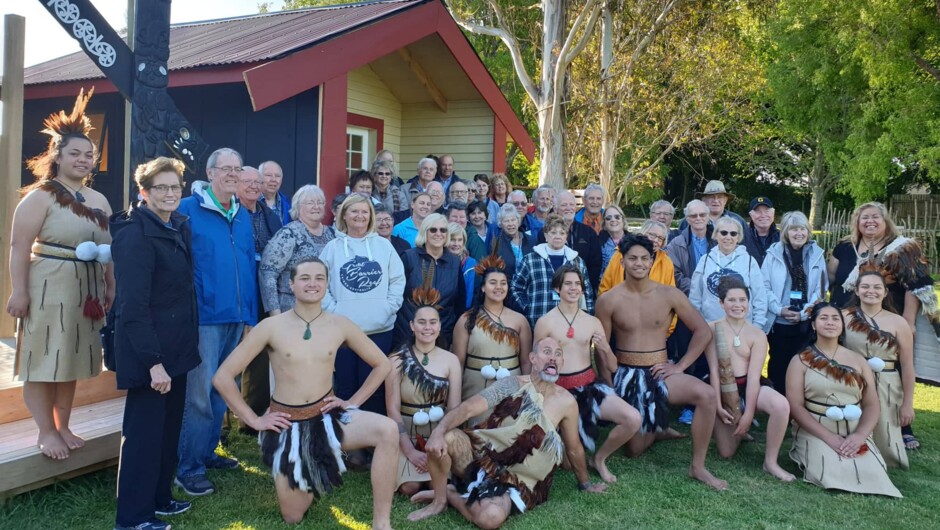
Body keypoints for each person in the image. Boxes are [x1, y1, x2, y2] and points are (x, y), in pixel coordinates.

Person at [212, 258, 399, 527]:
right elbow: (223, 377)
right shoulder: (271, 326)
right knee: (293, 516)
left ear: (327, 283)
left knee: (388, 430)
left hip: (328, 417)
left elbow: (382, 364)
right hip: (288, 425)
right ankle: (314, 465)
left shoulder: (340, 325)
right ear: (291, 284)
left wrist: (353, 402)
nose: (313, 284)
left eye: (319, 278)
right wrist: (253, 420)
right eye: (305, 278)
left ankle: (382, 522)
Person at [7, 89, 114, 461]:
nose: (84, 160)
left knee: (68, 360)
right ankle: (45, 431)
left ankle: (64, 425)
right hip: (47, 287)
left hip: (86, 291)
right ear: (57, 156)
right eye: (75, 154)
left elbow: (108, 248)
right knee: (43, 359)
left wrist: (109, 284)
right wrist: (18, 291)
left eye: (89, 155)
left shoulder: (99, 201)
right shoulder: (40, 197)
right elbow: (19, 247)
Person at [407, 337, 607, 526]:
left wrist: (586, 484)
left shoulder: (567, 402)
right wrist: (438, 431)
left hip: (518, 479)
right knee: (447, 437)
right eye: (546, 352)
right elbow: (468, 408)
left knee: (490, 518)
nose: (553, 357)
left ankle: (451, 494)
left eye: (558, 354)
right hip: (482, 458)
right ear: (533, 358)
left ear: (562, 362)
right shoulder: (511, 385)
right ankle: (439, 501)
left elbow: (573, 448)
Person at [595, 234, 727, 490]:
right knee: (634, 450)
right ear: (622, 262)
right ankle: (656, 429)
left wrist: (678, 367)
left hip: (661, 371)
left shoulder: (670, 295)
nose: (639, 263)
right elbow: (602, 349)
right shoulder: (608, 300)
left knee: (707, 394)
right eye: (632, 258)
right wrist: (609, 386)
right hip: (627, 374)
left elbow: (703, 332)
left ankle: (697, 466)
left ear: (652, 261)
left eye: (645, 258)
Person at [111, 157, 201, 530]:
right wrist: (153, 362)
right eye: (160, 187)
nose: (169, 193)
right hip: (150, 355)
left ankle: (160, 499)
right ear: (143, 192)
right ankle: (133, 518)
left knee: (166, 433)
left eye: (174, 187)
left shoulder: (175, 225)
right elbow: (132, 307)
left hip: (175, 351)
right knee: (144, 437)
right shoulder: (135, 235)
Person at [175, 147, 258, 495]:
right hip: (204, 318)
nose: (232, 175)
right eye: (225, 169)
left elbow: (248, 267)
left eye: (237, 169)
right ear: (209, 173)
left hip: (237, 317)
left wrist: (250, 315)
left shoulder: (242, 215)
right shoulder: (187, 210)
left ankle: (207, 453)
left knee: (223, 388)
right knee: (197, 394)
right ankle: (187, 466)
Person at [828, 201, 940, 449]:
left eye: (875, 217)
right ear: (856, 222)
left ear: (885, 220)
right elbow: (832, 278)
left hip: (889, 317)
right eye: (864, 217)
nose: (869, 221)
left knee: (892, 370)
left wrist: (908, 321)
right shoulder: (846, 247)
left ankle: (902, 425)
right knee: (851, 369)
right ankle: (852, 419)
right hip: (849, 319)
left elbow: (917, 286)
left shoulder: (902, 248)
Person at [534, 265, 642, 483]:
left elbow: (611, 366)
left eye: (577, 284)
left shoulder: (592, 322)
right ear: (557, 288)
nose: (574, 288)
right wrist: (536, 396)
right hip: (559, 390)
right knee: (566, 464)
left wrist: (605, 349)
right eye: (568, 284)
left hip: (590, 387)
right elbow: (536, 364)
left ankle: (599, 459)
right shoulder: (545, 322)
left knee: (633, 418)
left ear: (582, 290)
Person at [786, 303, 901, 498]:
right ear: (813, 325)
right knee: (830, 472)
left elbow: (872, 404)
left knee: (873, 474)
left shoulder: (858, 360)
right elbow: (795, 406)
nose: (830, 323)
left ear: (842, 325)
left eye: (835, 318)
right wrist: (829, 437)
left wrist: (860, 436)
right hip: (816, 430)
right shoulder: (800, 360)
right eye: (823, 318)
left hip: (853, 430)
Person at [319, 194, 405, 415]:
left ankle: (372, 444)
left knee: (374, 389)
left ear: (371, 216)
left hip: (379, 329)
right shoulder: (332, 248)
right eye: (354, 211)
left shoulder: (384, 246)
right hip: (344, 333)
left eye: (364, 212)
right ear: (344, 215)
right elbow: (321, 282)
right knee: (346, 387)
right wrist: (333, 311)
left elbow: (397, 279)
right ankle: (348, 442)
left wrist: (388, 307)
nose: (360, 216)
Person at [707, 277, 795, 482]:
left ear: (749, 302)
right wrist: (718, 406)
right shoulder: (711, 329)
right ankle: (734, 429)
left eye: (742, 300)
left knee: (781, 405)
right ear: (721, 303)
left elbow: (755, 377)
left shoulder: (757, 334)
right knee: (726, 453)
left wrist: (749, 414)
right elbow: (713, 370)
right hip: (722, 387)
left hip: (749, 385)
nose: (737, 305)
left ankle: (770, 462)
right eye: (731, 300)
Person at [385, 287, 462, 495]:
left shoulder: (451, 360)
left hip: (439, 433)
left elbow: (454, 408)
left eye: (433, 322)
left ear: (439, 326)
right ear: (411, 326)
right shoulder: (396, 360)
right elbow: (392, 410)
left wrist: (439, 438)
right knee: (410, 487)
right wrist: (409, 450)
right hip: (406, 434)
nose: (427, 327)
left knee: (437, 484)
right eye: (421, 322)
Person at [842, 270, 915, 469]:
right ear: (856, 290)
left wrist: (908, 403)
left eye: (877, 287)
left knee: (885, 429)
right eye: (865, 287)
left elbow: (908, 366)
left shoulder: (899, 322)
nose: (870, 291)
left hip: (888, 384)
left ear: (885, 293)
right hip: (853, 380)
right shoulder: (844, 317)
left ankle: (886, 458)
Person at [452, 256, 532, 425]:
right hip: (475, 387)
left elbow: (526, 361)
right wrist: (455, 398)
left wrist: (526, 393)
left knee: (508, 432)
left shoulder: (520, 320)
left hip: (512, 385)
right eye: (493, 282)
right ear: (482, 287)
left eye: (503, 283)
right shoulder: (466, 320)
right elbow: (458, 362)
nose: (499, 287)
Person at [760, 211, 827, 395]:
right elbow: (763, 286)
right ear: (786, 233)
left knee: (802, 364)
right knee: (778, 364)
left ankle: (799, 404)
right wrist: (779, 309)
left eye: (802, 229)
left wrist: (805, 312)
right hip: (779, 321)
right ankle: (778, 403)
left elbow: (821, 290)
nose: (799, 233)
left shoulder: (817, 254)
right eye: (794, 229)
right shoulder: (773, 253)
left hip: (805, 321)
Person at [236, 166, 283, 427]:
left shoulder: (270, 215)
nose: (254, 186)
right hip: (239, 289)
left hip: (264, 288)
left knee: (260, 351)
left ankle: (254, 409)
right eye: (248, 181)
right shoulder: (232, 214)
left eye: (258, 182)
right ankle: (227, 414)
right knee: (235, 350)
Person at [259, 185, 336, 315]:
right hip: (292, 310)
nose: (316, 206)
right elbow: (267, 274)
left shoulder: (333, 234)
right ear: (298, 207)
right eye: (310, 203)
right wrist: (274, 313)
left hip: (327, 311)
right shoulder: (288, 234)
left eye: (320, 202)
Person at [513, 215, 595, 330]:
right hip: (537, 321)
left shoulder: (577, 262)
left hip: (570, 324)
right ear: (546, 235)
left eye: (562, 233)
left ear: (566, 236)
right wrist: (527, 307)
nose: (558, 236)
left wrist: (588, 318)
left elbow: (587, 293)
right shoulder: (530, 259)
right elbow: (516, 287)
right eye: (553, 232)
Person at [396, 214, 466, 348]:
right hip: (408, 333)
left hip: (442, 334)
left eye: (443, 230)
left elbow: (459, 302)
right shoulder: (408, 257)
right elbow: (397, 295)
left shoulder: (455, 262)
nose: (438, 233)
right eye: (433, 230)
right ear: (425, 232)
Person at [690, 217, 768, 329]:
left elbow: (759, 296)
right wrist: (700, 326)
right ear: (716, 235)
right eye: (724, 233)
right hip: (711, 327)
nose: (728, 237)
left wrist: (757, 325)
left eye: (733, 234)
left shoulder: (749, 261)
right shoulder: (705, 260)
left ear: (739, 237)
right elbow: (695, 296)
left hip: (743, 327)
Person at [600, 219, 676, 296]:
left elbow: (671, 293)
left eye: (660, 238)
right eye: (652, 235)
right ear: (643, 233)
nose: (656, 240)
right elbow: (605, 287)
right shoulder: (621, 253)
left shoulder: (666, 262)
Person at [545, 191, 603, 292]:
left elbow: (595, 265)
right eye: (564, 205)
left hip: (579, 290)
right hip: (550, 289)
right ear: (555, 208)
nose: (569, 208)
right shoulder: (545, 233)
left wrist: (584, 289)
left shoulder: (588, 233)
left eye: (572, 204)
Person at [489, 203, 535, 284]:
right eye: (506, 221)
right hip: (506, 288)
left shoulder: (531, 241)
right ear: (501, 224)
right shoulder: (495, 244)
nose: (510, 224)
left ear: (518, 221)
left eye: (513, 220)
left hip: (530, 287)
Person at [678, 180, 746, 231]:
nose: (716, 200)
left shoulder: (738, 220)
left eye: (719, 197)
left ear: (725, 200)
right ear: (704, 200)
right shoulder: (689, 221)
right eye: (711, 197)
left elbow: (748, 246)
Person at [447, 222, 478, 310]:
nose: (456, 244)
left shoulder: (471, 264)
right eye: (452, 239)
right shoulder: (439, 262)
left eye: (460, 240)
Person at [743, 196, 779, 266]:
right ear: (751, 215)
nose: (763, 215)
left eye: (767, 211)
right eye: (758, 212)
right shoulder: (742, 238)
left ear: (773, 213)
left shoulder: (783, 238)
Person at [259, 160, 292, 225]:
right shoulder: (251, 201)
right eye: (268, 175)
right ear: (259, 178)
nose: (273, 179)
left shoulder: (289, 205)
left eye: (277, 176)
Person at [599, 204, 627, 272]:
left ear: (623, 220)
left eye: (617, 217)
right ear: (604, 222)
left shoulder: (634, 241)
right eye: (608, 218)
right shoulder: (597, 243)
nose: (613, 220)